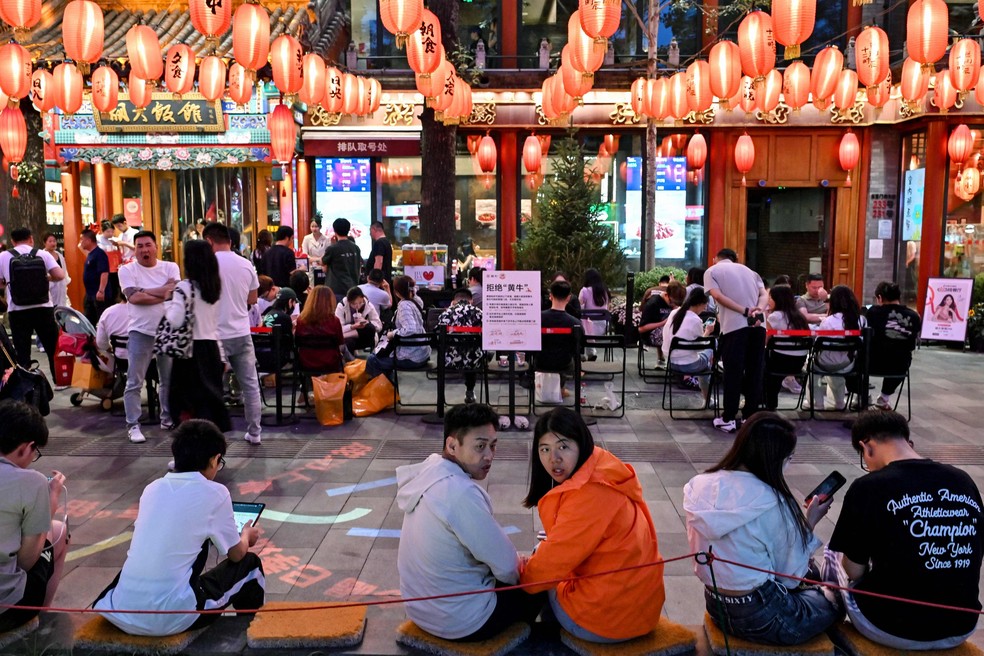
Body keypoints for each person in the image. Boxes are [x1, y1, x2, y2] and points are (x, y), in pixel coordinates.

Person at [826, 411, 982, 650]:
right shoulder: (962, 480)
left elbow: (854, 571)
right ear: (909, 442)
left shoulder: (868, 487)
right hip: (961, 624)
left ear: (866, 447)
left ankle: (826, 619)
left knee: (833, 552)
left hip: (890, 626)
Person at [94, 420, 265, 636]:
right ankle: (247, 637)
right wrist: (246, 536)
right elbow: (237, 554)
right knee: (251, 566)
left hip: (122, 611)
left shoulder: (152, 488)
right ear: (214, 460)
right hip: (172, 617)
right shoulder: (216, 493)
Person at [684, 412, 838, 645]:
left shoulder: (698, 485)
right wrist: (810, 521)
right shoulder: (772, 500)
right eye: (789, 457)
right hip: (765, 615)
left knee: (813, 579)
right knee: (833, 598)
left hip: (716, 604)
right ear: (775, 458)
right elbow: (790, 577)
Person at [521, 408, 664, 643]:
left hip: (607, 620)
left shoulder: (589, 494)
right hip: (639, 606)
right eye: (544, 449)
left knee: (537, 574)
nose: (553, 458)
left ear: (581, 443)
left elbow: (548, 567)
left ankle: (544, 642)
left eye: (563, 447)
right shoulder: (601, 464)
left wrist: (519, 579)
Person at [397, 404, 539, 641]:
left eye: (493, 446)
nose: (489, 456)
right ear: (452, 445)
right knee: (544, 583)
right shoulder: (459, 492)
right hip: (462, 621)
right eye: (480, 446)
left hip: (420, 610)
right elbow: (507, 567)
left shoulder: (429, 471)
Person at [0, 401, 68, 634]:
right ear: (25, 447)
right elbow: (27, 560)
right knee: (59, 532)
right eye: (35, 451)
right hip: (6, 608)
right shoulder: (33, 481)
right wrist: (50, 503)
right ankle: (40, 624)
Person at [203, 223, 262, 445]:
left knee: (212, 388)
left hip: (214, 335)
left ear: (209, 241)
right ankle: (255, 432)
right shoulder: (246, 264)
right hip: (242, 332)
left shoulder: (207, 265)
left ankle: (214, 437)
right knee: (250, 384)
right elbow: (252, 299)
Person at [119, 231, 179, 444]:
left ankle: (167, 418)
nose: (144, 250)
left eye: (147, 245)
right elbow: (134, 298)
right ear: (134, 249)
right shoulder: (126, 270)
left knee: (168, 380)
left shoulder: (170, 267)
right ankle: (133, 424)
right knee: (134, 381)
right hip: (139, 331)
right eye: (139, 246)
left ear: (156, 247)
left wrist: (147, 292)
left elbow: (173, 293)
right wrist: (162, 291)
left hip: (167, 330)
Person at [164, 240, 230, 432]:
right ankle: (211, 454)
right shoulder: (214, 288)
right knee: (208, 407)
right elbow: (216, 325)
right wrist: (223, 356)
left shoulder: (183, 288)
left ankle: (187, 454)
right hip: (212, 351)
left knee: (185, 407)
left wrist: (168, 302)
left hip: (189, 354)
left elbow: (175, 321)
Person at [704, 248, 769, 433]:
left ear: (715, 258)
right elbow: (764, 294)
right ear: (736, 259)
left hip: (734, 327)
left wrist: (743, 310)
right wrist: (758, 309)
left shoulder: (712, 271)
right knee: (755, 371)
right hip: (759, 326)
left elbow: (717, 296)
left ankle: (729, 418)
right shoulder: (750, 271)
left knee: (733, 372)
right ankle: (750, 416)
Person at [0, 227, 66, 380]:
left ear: (12, 241)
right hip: (43, 308)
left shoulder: (3, 256)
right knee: (52, 346)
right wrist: (46, 278)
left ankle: (26, 383)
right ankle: (59, 380)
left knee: (22, 350)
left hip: (18, 310)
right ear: (31, 239)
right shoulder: (42, 254)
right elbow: (60, 275)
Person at [809, 285, 866, 411]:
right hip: (848, 363)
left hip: (825, 362)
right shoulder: (861, 320)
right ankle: (840, 402)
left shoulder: (828, 321)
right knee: (836, 371)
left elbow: (819, 344)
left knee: (811, 364)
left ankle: (817, 403)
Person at [865, 282, 921, 410]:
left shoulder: (872, 312)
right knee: (901, 358)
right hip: (900, 365)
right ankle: (884, 398)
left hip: (872, 363)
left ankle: (862, 397)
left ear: (879, 298)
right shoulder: (913, 316)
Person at [366, 275, 430, 380]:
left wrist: (393, 333)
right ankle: (389, 389)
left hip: (411, 356)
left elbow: (410, 329)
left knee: (373, 359)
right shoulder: (416, 300)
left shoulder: (404, 305)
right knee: (381, 358)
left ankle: (383, 391)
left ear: (397, 292)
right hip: (422, 353)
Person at [662, 287, 715, 406]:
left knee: (705, 363)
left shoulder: (674, 313)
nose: (704, 309)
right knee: (713, 345)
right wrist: (707, 332)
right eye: (704, 306)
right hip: (689, 365)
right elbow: (701, 347)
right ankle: (707, 398)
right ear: (701, 304)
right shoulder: (696, 320)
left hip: (671, 363)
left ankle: (707, 397)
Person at [764, 285, 811, 408]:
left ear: (778, 300)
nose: (768, 301)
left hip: (778, 362)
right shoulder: (800, 318)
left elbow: (765, 341)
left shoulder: (774, 317)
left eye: (770, 298)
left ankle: (767, 402)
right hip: (798, 363)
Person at [436, 288, 484, 404]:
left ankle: (441, 400)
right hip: (474, 361)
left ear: (454, 301)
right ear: (471, 300)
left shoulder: (445, 314)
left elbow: (437, 337)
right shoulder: (480, 313)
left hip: (449, 360)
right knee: (474, 352)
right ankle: (470, 391)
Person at [538, 279, 582, 394]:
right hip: (564, 362)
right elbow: (579, 348)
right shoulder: (575, 322)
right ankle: (560, 388)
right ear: (568, 298)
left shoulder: (537, 318)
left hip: (540, 362)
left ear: (550, 296)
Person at [294, 286, 345, 374]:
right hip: (330, 363)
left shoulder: (301, 320)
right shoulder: (334, 321)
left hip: (306, 362)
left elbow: (297, 342)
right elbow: (340, 343)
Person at [639, 281, 686, 368]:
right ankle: (678, 364)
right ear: (667, 295)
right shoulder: (653, 304)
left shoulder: (675, 304)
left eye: (678, 304)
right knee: (676, 335)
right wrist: (664, 323)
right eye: (673, 302)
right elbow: (641, 329)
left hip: (667, 332)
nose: (675, 306)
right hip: (650, 335)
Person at [256, 288, 296, 373]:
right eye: (294, 302)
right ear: (290, 302)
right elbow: (290, 343)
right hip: (278, 360)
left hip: (261, 358)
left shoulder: (267, 314)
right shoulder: (285, 318)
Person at [321, 218, 362, 301]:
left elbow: (323, 262)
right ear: (348, 230)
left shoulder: (332, 248)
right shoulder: (356, 248)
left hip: (336, 290)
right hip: (353, 288)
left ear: (335, 231)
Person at [79, 229, 112, 326]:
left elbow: (104, 273)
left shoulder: (99, 254)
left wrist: (101, 290)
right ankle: (90, 339)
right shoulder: (90, 254)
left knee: (102, 320)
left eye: (82, 240)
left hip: (98, 294)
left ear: (88, 240)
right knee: (88, 320)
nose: (81, 243)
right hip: (90, 293)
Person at [335, 287, 382, 354]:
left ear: (363, 298)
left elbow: (379, 326)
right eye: (354, 304)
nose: (358, 306)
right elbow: (338, 328)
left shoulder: (368, 305)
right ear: (349, 302)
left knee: (370, 328)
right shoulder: (342, 306)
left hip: (363, 337)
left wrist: (366, 322)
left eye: (360, 302)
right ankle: (350, 361)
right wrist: (353, 326)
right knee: (349, 342)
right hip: (347, 338)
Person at [578, 268, 610, 360]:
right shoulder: (605, 292)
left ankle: (583, 353)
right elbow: (607, 309)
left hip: (587, 329)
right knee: (587, 325)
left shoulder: (584, 291)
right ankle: (591, 352)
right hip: (603, 328)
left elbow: (580, 308)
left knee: (582, 323)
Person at [94, 295, 129, 374]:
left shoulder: (108, 312)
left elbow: (100, 343)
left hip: (121, 360)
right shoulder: (149, 310)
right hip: (148, 362)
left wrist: (110, 348)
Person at [41, 233, 70, 308]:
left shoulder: (59, 256)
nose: (53, 243)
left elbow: (64, 271)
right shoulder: (42, 256)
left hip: (61, 287)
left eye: (54, 241)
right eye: (50, 241)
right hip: (49, 287)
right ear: (44, 243)